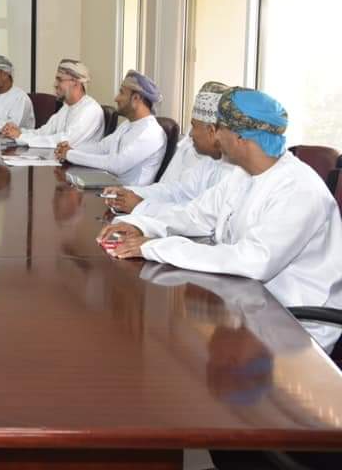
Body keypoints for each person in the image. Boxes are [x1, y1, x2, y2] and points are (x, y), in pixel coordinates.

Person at [98, 88, 342, 352]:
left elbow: (253, 260)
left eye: (220, 128)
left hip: (293, 328)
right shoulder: (243, 174)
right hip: (247, 303)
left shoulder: (299, 190)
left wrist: (153, 246)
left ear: (240, 137)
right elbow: (195, 215)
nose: (215, 136)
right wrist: (140, 224)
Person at [103, 81, 236, 214]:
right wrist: (129, 193)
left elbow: (197, 217)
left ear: (212, 131)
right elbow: (176, 191)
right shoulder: (209, 160)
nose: (190, 134)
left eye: (194, 126)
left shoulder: (233, 174)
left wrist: (141, 206)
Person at [56, 70, 166, 186]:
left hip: (127, 194)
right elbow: (101, 148)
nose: (116, 98)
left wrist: (70, 154)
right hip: (108, 186)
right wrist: (71, 148)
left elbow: (116, 165)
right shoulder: (127, 125)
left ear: (136, 98)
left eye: (121, 93)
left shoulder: (151, 132)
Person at [1, 58, 103, 148]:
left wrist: (21, 137)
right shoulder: (66, 107)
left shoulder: (90, 110)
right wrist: (20, 131)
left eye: (60, 80)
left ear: (76, 83)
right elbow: (44, 132)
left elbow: (64, 141)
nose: (55, 84)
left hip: (76, 164)